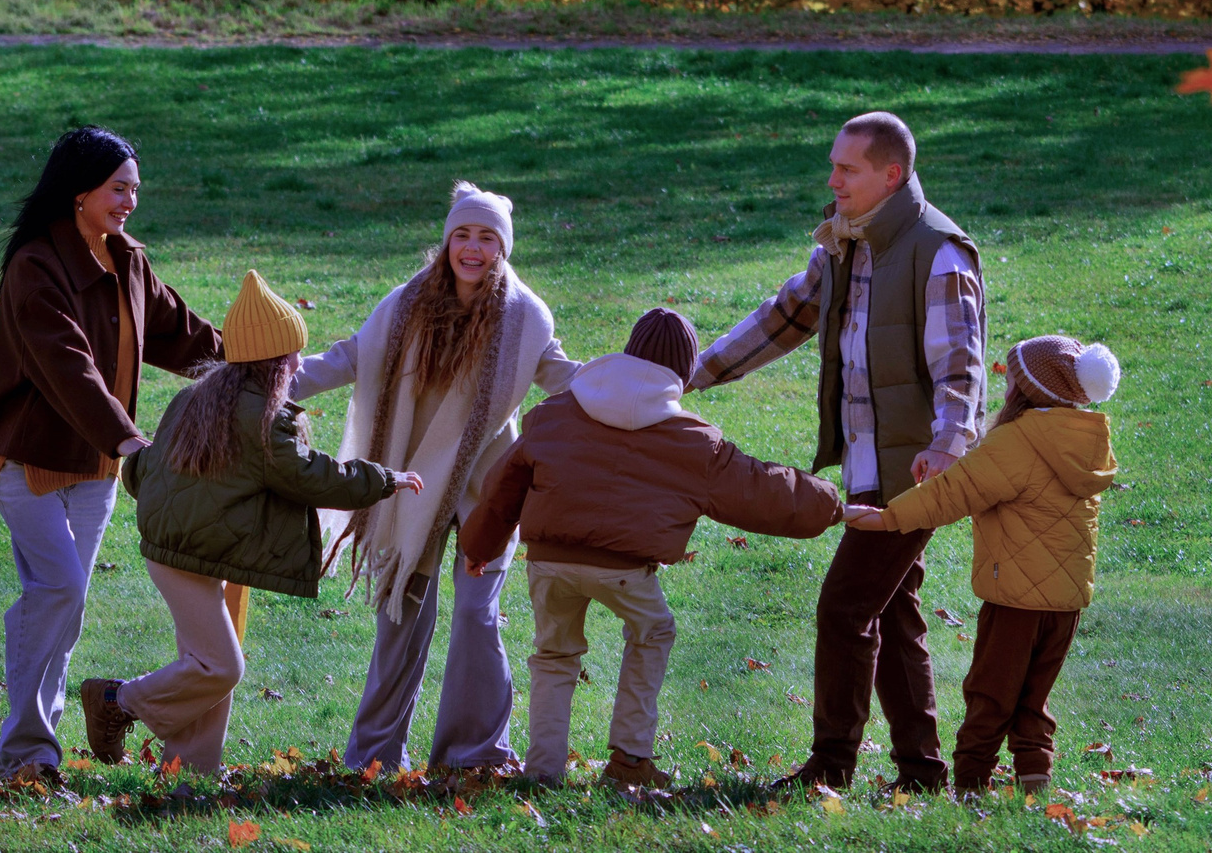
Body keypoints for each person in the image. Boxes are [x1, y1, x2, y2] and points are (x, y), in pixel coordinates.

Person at [685, 110, 985, 793]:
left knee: (845, 606)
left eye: (847, 169)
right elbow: (784, 315)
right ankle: (922, 771)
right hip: (868, 467)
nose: (832, 179)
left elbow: (961, 368)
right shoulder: (845, 247)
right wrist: (693, 372)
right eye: (833, 165)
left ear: (892, 173)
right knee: (891, 607)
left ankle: (831, 764)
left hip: (915, 469)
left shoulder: (936, 250)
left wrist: (947, 443)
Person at [461, 308, 843, 790]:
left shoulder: (555, 411)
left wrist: (478, 547)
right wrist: (835, 506)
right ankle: (629, 759)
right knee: (652, 633)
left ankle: (542, 770)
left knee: (554, 656)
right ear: (682, 374)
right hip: (625, 569)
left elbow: (502, 488)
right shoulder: (694, 441)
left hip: (549, 562)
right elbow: (761, 490)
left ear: (626, 353)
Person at [78, 272, 422, 789]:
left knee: (201, 664)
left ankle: (189, 773)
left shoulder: (198, 398)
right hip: (184, 554)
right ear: (274, 362)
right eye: (294, 358)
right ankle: (115, 700)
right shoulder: (262, 417)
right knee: (221, 667)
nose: (300, 366)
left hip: (183, 545)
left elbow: (146, 467)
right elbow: (309, 476)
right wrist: (383, 479)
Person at [296, 181, 580, 774]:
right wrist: (267, 382)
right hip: (409, 485)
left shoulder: (523, 317)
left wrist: (636, 385)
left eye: (487, 237)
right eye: (462, 235)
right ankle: (374, 754)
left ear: (503, 247)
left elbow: (558, 371)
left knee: (477, 615)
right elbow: (351, 356)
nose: (472, 248)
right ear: (448, 239)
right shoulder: (406, 305)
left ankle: (473, 755)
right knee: (400, 615)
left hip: (487, 491)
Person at [0, 127, 224, 782]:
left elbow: (180, 331)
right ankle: (24, 753)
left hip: (96, 468)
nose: (130, 202)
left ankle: (29, 748)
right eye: (120, 188)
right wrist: (129, 439)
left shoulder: (127, 260)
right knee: (55, 588)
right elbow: (70, 369)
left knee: (63, 599)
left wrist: (254, 361)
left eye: (135, 190)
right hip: (30, 460)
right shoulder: (37, 265)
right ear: (80, 190)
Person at [845, 336, 1120, 798]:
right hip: (1067, 603)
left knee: (990, 693)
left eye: (1012, 375)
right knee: (1034, 699)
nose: (1004, 381)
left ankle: (971, 786)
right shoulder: (1088, 440)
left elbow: (953, 493)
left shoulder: (1020, 439)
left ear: (1027, 388)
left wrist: (888, 518)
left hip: (1015, 599)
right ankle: (1035, 784)